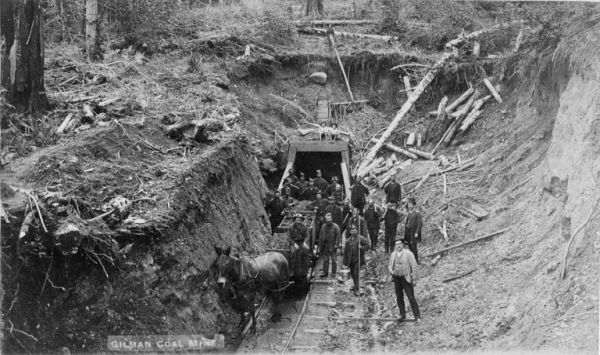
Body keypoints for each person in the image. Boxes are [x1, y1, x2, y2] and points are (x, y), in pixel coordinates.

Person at [388, 239, 420, 321]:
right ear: (395, 246)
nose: (398, 246)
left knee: (411, 297)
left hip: (406, 278)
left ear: (403, 245)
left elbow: (414, 266)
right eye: (396, 244)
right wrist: (392, 271)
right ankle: (402, 315)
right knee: (399, 297)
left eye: (400, 244)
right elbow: (390, 265)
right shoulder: (393, 254)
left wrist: (414, 278)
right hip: (397, 278)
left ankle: (417, 316)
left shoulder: (408, 253)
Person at [343, 225, 371, 295]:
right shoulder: (347, 241)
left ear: (357, 231)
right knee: (353, 274)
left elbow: (368, 245)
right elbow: (345, 252)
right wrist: (345, 263)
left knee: (356, 274)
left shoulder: (360, 239)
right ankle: (355, 285)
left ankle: (357, 289)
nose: (353, 232)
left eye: (354, 230)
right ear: (350, 232)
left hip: (358, 260)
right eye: (352, 231)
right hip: (351, 261)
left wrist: (361, 247)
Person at [318, 213, 341, 277]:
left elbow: (338, 236)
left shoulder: (336, 226)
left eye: (329, 219)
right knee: (325, 260)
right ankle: (325, 272)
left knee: (334, 260)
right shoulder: (323, 226)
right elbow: (320, 237)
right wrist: (320, 246)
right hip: (325, 246)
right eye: (327, 219)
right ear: (325, 220)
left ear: (332, 219)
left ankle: (333, 273)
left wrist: (337, 244)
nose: (328, 220)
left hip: (333, 246)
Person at [404, 197, 423, 264]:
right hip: (408, 232)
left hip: (413, 232)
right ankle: (412, 260)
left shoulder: (417, 213)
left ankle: (416, 261)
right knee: (409, 246)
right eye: (409, 205)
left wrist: (417, 232)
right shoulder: (409, 213)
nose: (410, 206)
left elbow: (420, 224)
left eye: (411, 205)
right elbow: (407, 223)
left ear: (414, 205)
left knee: (414, 247)